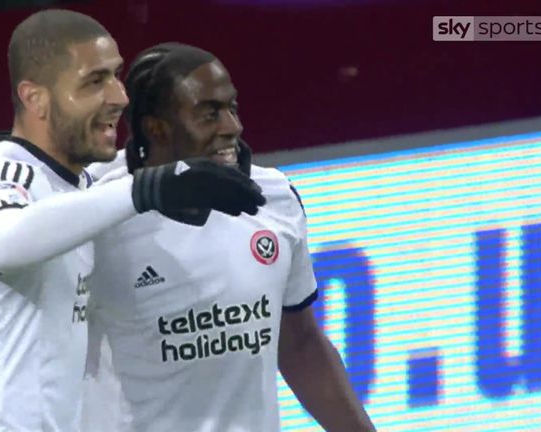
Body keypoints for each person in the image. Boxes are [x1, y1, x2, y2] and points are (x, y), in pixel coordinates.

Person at [0, 11, 265, 431]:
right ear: (35, 98)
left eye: (116, 76)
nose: (119, 96)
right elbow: (1, 243)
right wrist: (147, 189)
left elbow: (116, 186)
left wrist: (205, 158)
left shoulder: (76, 185)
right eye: (94, 82)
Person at [82, 43, 376, 432]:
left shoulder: (273, 196)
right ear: (157, 128)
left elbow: (299, 344)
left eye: (231, 108)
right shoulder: (93, 211)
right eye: (209, 114)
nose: (232, 127)